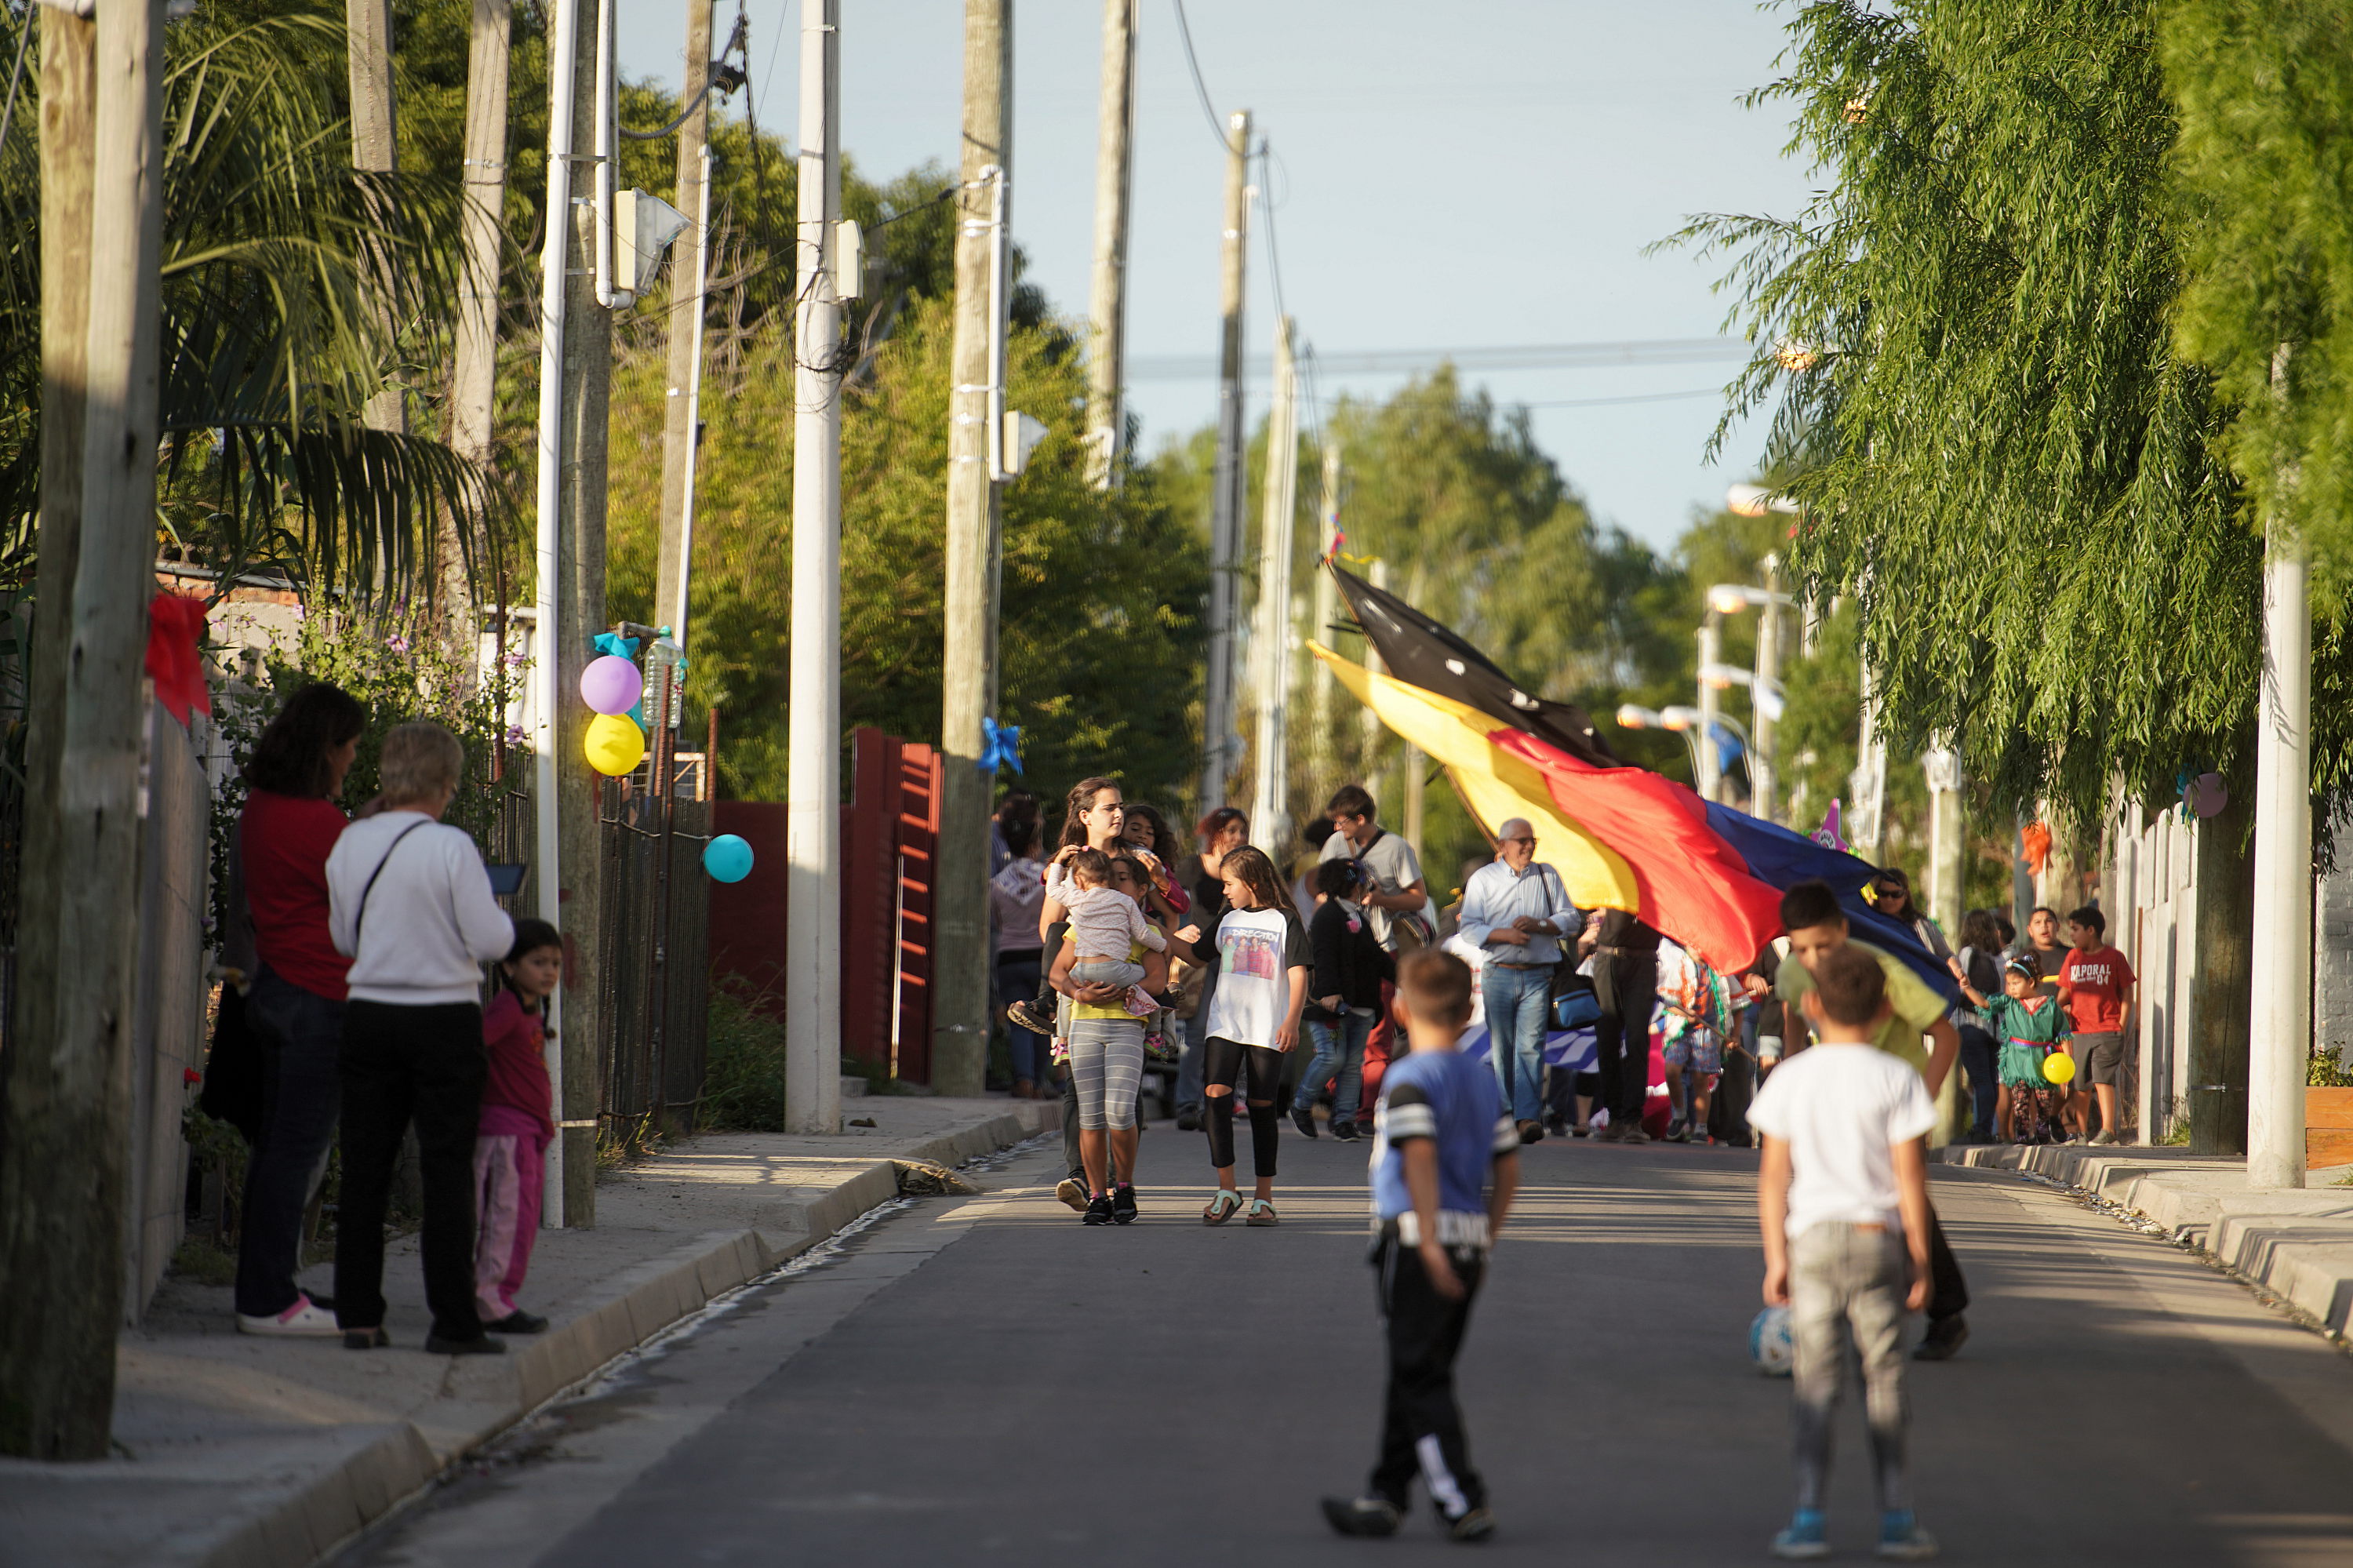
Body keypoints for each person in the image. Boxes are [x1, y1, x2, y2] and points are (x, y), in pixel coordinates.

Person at [1319, 949, 1519, 1544]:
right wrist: (1485, 1236)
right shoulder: (1483, 1080)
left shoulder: (1409, 1078)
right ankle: (1386, 1492)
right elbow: (1508, 1166)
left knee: (1418, 1370)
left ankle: (1462, 1496)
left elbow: (1420, 1158)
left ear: (1400, 1008)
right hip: (1466, 1237)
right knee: (1418, 1366)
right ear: (1468, 1014)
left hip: (1415, 1238)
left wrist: (1428, 1242)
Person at [1749, 944, 1940, 1563]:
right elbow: (1911, 1178)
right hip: (1874, 1238)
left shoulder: (1790, 1076)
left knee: (1816, 1381)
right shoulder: (1898, 1077)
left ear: (1809, 1005)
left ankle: (1808, 1516)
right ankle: (1897, 1516)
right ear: (1885, 1008)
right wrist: (1921, 1256)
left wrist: (1775, 1257)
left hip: (1811, 1243)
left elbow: (1773, 1176)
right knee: (1884, 1377)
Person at [329, 722, 515, 1355]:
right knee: (445, 1172)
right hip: (442, 1018)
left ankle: (358, 1314)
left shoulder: (350, 843)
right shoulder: (451, 848)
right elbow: (492, 941)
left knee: (365, 1169)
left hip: (370, 1014)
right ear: (444, 783)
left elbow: (343, 940)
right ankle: (453, 1322)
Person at [1760, 880, 1971, 1362]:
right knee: (1830, 1196)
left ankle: (1945, 1309)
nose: (1815, 959)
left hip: (1892, 1098)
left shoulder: (1881, 971)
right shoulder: (1794, 971)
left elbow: (1945, 1036)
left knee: (1904, 1198)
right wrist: (1794, 1070)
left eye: (1825, 945)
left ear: (1844, 929)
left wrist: (1923, 1099)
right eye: (1803, 948)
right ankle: (1837, 1310)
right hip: (1834, 1095)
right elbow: (1794, 1013)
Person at [232, 682, 366, 1337]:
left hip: (280, 986)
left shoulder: (262, 806)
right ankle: (267, 1301)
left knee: (276, 1150)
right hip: (321, 999)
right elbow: (365, 902)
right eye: (348, 749)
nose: (350, 761)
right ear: (326, 749)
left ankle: (266, 1287)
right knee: (296, 1152)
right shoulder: (319, 824)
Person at [1012, 777, 1126, 1210]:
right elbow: (1049, 928)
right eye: (1108, 807)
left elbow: (1158, 919)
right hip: (1075, 985)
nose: (1118, 814)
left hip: (1122, 983)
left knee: (1120, 1092)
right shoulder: (1068, 865)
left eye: (1120, 806)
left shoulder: (1135, 863)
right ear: (1085, 816)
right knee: (1079, 1087)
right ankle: (1080, 1178)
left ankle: (1117, 1182)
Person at [1193, 846, 1308, 1226]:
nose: (1224, 891)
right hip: (1225, 1023)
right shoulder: (1227, 918)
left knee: (1262, 1107)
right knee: (1215, 1096)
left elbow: (1297, 973)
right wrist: (1158, 932)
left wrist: (1291, 1020)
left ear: (1253, 882)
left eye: (1229, 884)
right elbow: (1196, 955)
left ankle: (1264, 1197)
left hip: (1266, 1026)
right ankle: (1227, 1189)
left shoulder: (1284, 920)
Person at [1455, 817, 1581, 1146]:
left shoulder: (1546, 874)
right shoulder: (1483, 879)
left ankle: (1526, 1118)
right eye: (1521, 840)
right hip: (1499, 973)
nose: (1528, 846)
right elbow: (1469, 927)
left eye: (1532, 840)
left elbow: (1571, 918)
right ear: (1502, 846)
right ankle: (1505, 1114)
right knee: (1503, 1047)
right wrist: (1503, 934)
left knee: (1531, 1046)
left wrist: (1541, 924)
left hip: (1539, 976)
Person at [1051, 856, 1157, 1225]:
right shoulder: (1084, 922)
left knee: (1120, 1111)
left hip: (1127, 1027)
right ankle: (1098, 1196)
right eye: (1111, 877)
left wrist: (1121, 988)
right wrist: (1078, 995)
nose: (1114, 884)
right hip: (1084, 1026)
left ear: (1140, 890)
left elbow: (1158, 981)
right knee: (1092, 1116)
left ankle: (1124, 1186)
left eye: (1123, 879)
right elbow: (1057, 973)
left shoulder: (1147, 929)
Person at [474, 919, 560, 1334]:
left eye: (555, 964)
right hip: (506, 1133)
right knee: (506, 1217)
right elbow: (473, 1046)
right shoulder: (507, 1008)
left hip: (525, 1131)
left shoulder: (530, 1007)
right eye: (538, 961)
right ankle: (488, 1298)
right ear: (509, 967)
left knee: (522, 1217)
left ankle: (497, 1294)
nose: (549, 972)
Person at [1293, 859, 1391, 1142]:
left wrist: (1406, 976)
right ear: (1349, 884)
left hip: (1361, 1005)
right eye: (1362, 882)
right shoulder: (1327, 916)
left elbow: (1377, 957)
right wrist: (1328, 992)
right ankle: (1301, 1105)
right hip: (1332, 1007)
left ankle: (1344, 1120)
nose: (1366, 888)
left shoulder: (1359, 917)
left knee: (1351, 1064)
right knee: (1331, 1057)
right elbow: (1323, 957)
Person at [1173, 806, 1249, 1131]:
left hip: (1238, 959)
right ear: (1215, 834)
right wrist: (1178, 933)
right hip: (1199, 960)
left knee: (1233, 1031)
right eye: (1231, 830)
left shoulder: (1247, 867)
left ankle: (1221, 1100)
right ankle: (1188, 1102)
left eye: (1242, 831)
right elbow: (1171, 903)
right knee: (1197, 1031)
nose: (1238, 837)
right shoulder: (1192, 866)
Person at [1951, 952, 2070, 1144]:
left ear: (2030, 982)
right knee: (2020, 1102)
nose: (2011, 989)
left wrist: (2067, 1064)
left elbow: (2063, 1035)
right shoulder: (2008, 1003)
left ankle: (2042, 1133)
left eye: (2016, 984)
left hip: (2042, 1062)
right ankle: (2022, 1136)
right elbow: (1984, 1003)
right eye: (2009, 984)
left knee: (2044, 1101)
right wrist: (1967, 987)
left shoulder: (2049, 1005)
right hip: (2017, 1061)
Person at [1318, 784, 1432, 953]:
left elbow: (1419, 899)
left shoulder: (1396, 847)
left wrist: (1381, 899)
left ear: (1360, 819)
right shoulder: (1335, 843)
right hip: (1344, 943)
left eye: (1340, 822)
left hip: (1384, 946)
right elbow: (1323, 893)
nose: (1336, 828)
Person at [2060, 905, 2136, 1144]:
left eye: (2075, 929)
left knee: (2103, 1079)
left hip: (2108, 1030)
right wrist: (2058, 1008)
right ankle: (2082, 1133)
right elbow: (2063, 995)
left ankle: (2108, 1131)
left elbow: (2127, 993)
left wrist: (2121, 1024)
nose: (2071, 935)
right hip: (2080, 1031)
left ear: (2091, 930)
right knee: (2080, 1084)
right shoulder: (2073, 958)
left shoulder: (2114, 957)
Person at [1589, 909, 1664, 1144]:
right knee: (1607, 1039)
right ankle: (1615, 1117)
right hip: (1607, 956)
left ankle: (1633, 1119)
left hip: (1644, 959)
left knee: (1637, 1040)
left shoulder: (1659, 874)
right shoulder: (1610, 874)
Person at [989, 819, 1049, 1098]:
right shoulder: (1048, 880)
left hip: (1009, 959)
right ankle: (1037, 1082)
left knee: (1018, 1021)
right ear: (1035, 846)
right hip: (1041, 958)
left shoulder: (998, 883)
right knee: (1041, 1021)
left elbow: (995, 921)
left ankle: (1022, 1079)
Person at [1950, 910, 2006, 1144]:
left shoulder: (1968, 953)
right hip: (1995, 1028)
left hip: (1971, 1025)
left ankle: (1981, 1129)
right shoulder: (2000, 958)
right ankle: (1985, 1128)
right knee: (1991, 1080)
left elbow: (1960, 985)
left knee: (1980, 1079)